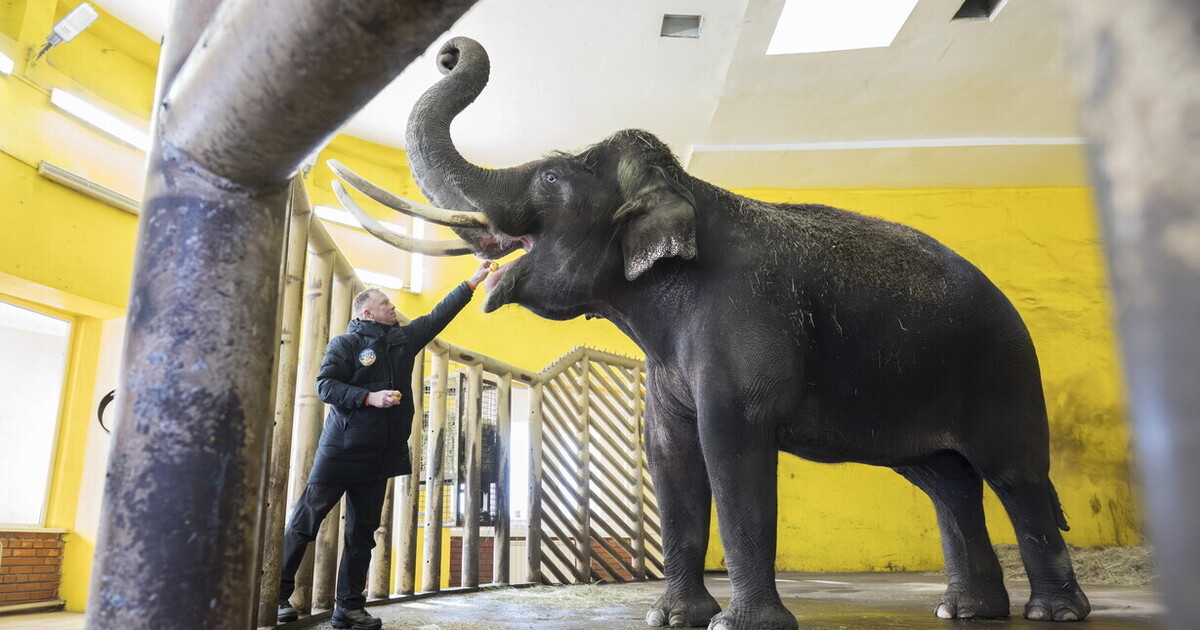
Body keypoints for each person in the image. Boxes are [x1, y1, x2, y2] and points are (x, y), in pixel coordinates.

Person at [278, 260, 494, 629]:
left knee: (362, 533)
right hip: (341, 451)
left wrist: (473, 280)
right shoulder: (345, 344)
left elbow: (438, 315)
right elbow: (325, 386)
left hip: (380, 456)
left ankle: (348, 608)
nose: (393, 308)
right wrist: (369, 398)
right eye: (386, 304)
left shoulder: (403, 340)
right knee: (305, 521)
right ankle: (278, 596)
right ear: (367, 312)